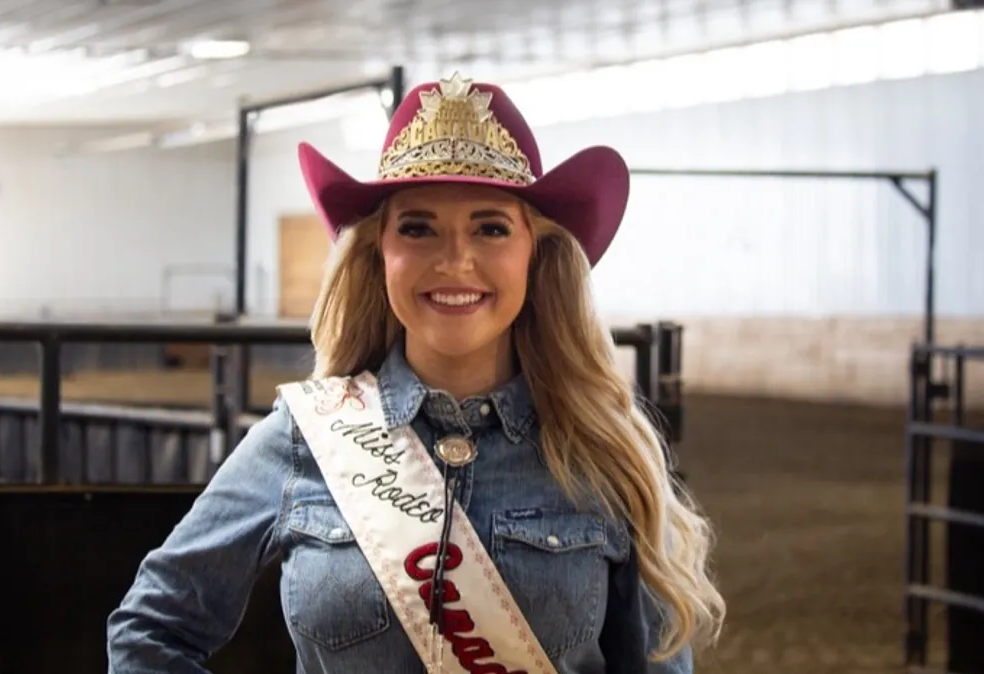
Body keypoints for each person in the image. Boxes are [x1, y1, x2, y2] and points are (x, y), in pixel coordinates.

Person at [107, 72, 724, 673]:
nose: (455, 260)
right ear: (380, 253)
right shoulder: (308, 438)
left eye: (490, 227)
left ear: (535, 255)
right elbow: (150, 629)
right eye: (418, 228)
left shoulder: (603, 456)